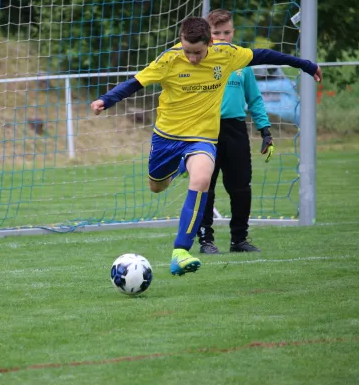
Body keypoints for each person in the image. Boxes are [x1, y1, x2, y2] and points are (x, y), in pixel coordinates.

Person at [90, 16, 321, 276]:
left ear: (210, 43)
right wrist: (105, 100)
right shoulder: (169, 59)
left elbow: (264, 55)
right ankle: (177, 168)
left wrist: (305, 64)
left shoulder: (227, 54)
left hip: (202, 138)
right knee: (156, 186)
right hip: (167, 137)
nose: (191, 58)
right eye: (187, 51)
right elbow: (135, 83)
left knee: (201, 179)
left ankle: (181, 252)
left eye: (197, 52)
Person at [197, 9, 274, 255]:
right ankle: (205, 240)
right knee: (204, 185)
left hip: (236, 130)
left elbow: (255, 99)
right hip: (206, 131)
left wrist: (265, 130)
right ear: (208, 35)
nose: (221, 37)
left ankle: (238, 239)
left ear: (233, 32)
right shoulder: (199, 60)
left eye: (226, 32)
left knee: (241, 186)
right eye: (216, 33)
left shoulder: (242, 62)